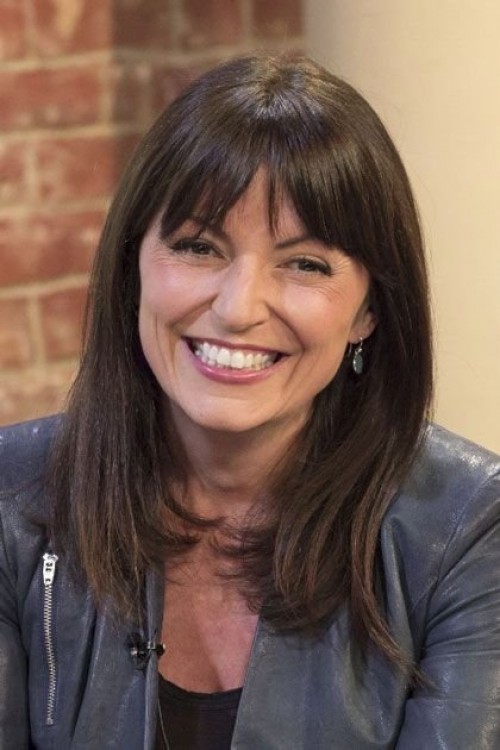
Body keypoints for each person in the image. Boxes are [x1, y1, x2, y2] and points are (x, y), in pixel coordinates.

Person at [0, 53, 499, 750]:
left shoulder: (470, 529)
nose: (238, 309)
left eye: (305, 264)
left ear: (368, 310)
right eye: (198, 247)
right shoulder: (12, 499)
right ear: (133, 268)